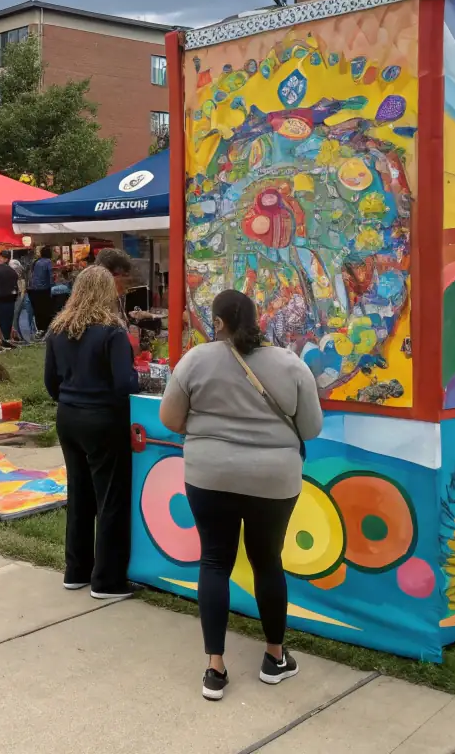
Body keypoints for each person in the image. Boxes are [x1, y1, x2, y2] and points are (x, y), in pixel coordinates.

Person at [159, 289, 323, 701]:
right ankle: (274, 658)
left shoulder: (195, 360)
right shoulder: (290, 364)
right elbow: (311, 428)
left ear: (218, 322)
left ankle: (215, 668)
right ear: (257, 319)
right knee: (267, 562)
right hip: (273, 481)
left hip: (209, 476)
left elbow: (170, 418)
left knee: (215, 561)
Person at [43, 266, 139, 599]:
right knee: (110, 498)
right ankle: (107, 580)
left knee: (80, 494)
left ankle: (77, 569)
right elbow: (124, 383)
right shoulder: (112, 332)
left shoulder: (58, 329)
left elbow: (50, 383)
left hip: (68, 416)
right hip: (103, 419)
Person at [28, 246, 55, 334]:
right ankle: (47, 328)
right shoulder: (48, 262)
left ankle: (40, 329)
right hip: (44, 289)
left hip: (34, 290)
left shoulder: (36, 262)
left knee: (38, 310)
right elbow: (50, 276)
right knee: (46, 310)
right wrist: (52, 287)